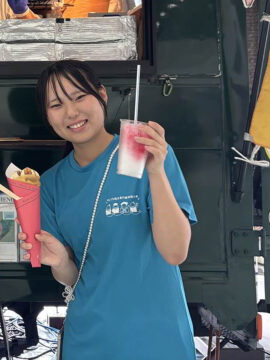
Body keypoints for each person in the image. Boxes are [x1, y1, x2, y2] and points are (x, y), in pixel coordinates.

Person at [19, 60, 197, 360]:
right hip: (88, 340)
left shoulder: (147, 154)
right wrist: (60, 261)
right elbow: (70, 276)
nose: (71, 112)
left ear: (101, 94)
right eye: (57, 104)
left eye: (79, 96)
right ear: (47, 116)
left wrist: (155, 171)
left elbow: (175, 252)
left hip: (159, 339)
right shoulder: (50, 184)